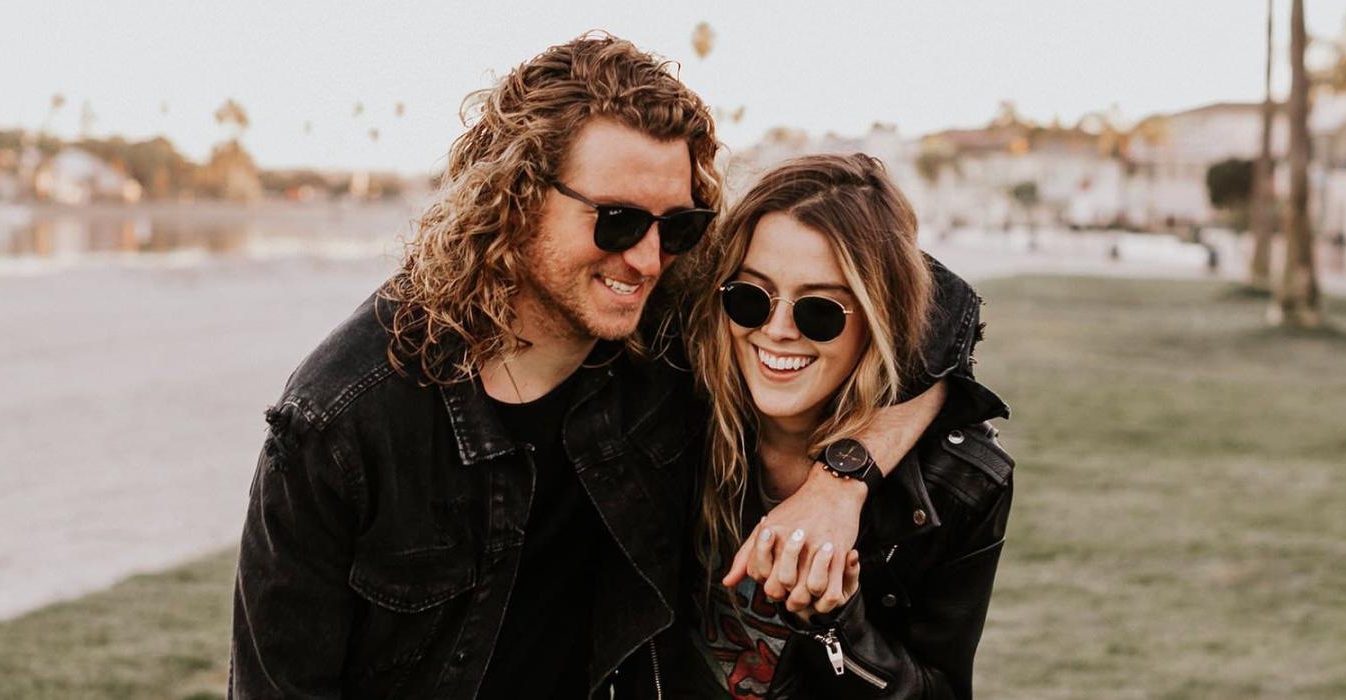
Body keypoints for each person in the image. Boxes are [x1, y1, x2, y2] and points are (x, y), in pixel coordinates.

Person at [228, 34, 984, 698]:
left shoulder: (659, 331)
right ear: (515, 196)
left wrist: (840, 484)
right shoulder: (343, 419)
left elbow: (938, 310)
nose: (648, 258)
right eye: (617, 220)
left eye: (678, 225)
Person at [663, 154, 1013, 698]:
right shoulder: (678, 405)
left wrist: (836, 622)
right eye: (750, 297)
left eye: (819, 309)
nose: (776, 330)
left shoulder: (958, 482)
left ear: (878, 319)